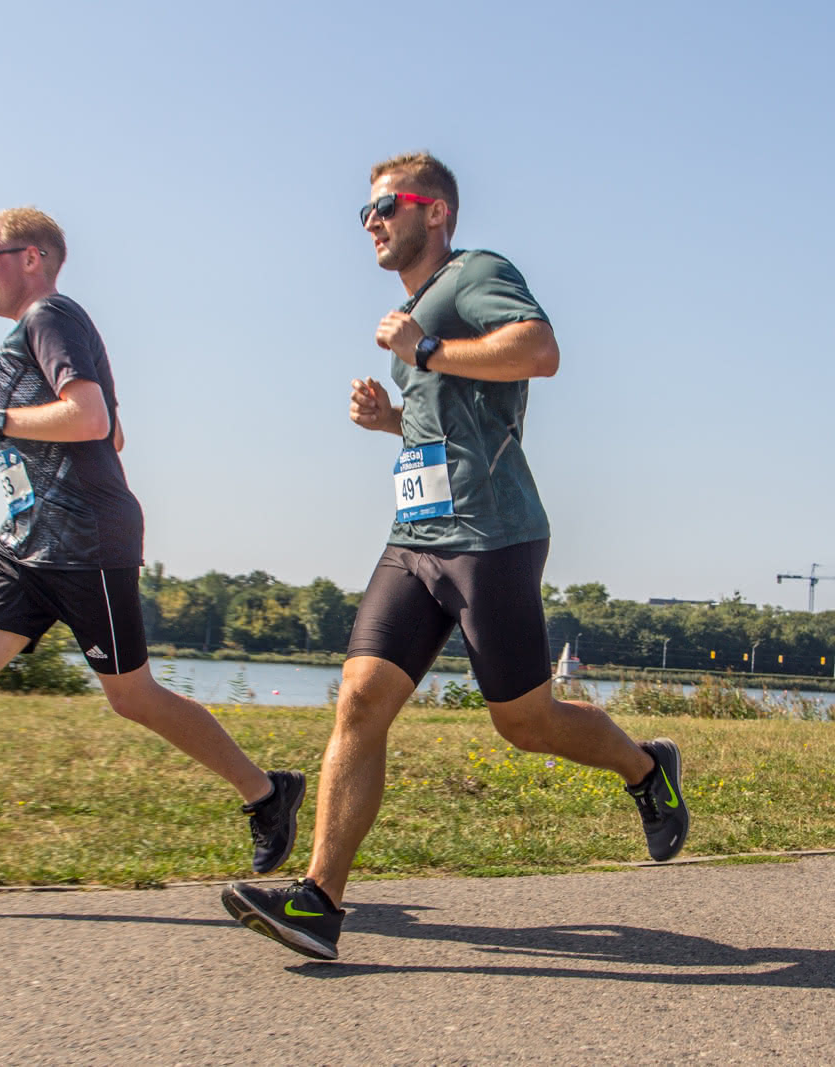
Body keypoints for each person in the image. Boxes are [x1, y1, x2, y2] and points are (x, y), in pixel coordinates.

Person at [221, 153, 688, 961]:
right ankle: (319, 902)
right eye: (363, 211)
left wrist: (426, 347)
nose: (370, 220)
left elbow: (539, 350)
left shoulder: (475, 274)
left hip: (492, 535)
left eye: (383, 205)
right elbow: (453, 424)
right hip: (417, 538)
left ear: (433, 211)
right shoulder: (418, 312)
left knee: (525, 721)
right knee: (360, 698)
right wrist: (391, 418)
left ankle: (646, 768)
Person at [0, 207, 304, 904]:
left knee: (132, 696)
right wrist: (16, 440)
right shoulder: (35, 331)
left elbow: (95, 422)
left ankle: (266, 791)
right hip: (26, 540)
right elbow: (112, 434)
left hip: (86, 543)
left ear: (33, 257)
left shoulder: (52, 315)